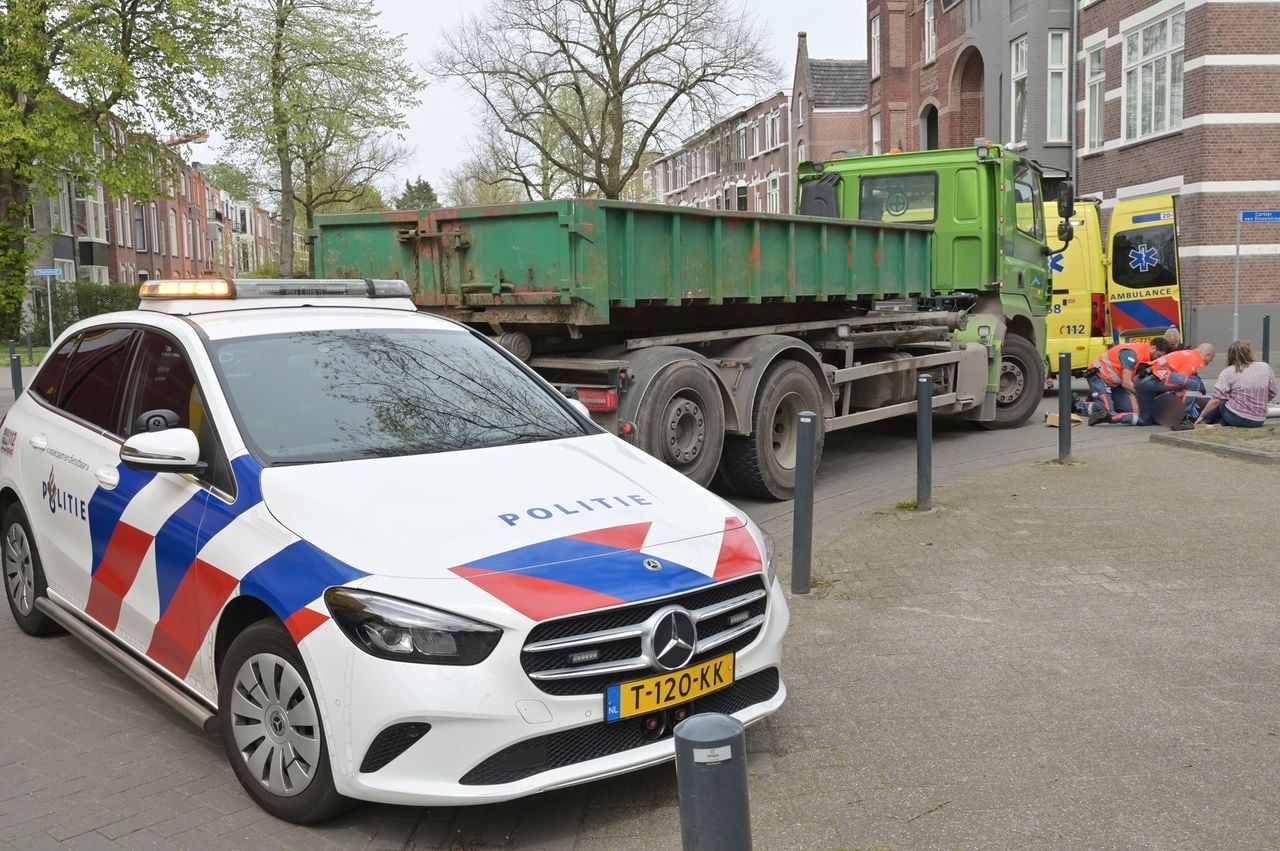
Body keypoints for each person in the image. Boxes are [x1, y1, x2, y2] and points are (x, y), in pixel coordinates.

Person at [1084, 337, 1172, 425]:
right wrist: (1144, 397)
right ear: (1153, 348)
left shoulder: (1147, 357)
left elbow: (1134, 384)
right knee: (1106, 412)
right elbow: (1126, 383)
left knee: (1129, 410)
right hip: (1098, 377)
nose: (1158, 359)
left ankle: (1100, 399)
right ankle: (1077, 404)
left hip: (1116, 383)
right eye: (1159, 355)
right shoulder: (1131, 354)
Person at [1194, 339, 1277, 428]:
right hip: (1258, 420)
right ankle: (1221, 425)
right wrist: (1260, 402)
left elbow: (1216, 400)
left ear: (1230, 355)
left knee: (1222, 402)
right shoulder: (1265, 367)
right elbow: (1273, 392)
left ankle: (1204, 423)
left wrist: (1202, 415)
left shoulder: (1229, 372)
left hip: (1236, 417)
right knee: (1228, 406)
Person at [1135, 342, 1215, 425]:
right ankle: (1183, 419)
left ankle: (1120, 416)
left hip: (1142, 378)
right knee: (1194, 384)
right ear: (1208, 355)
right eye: (1211, 359)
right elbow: (1182, 382)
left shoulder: (1186, 353)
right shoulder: (1194, 358)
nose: (1209, 362)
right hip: (1154, 377)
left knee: (1144, 420)